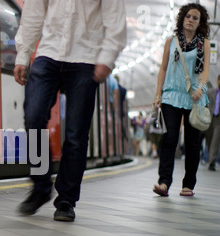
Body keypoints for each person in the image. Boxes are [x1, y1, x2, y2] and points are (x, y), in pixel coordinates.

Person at [14, 0, 126, 222]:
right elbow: (34, 13)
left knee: (76, 133)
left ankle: (66, 199)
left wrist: (106, 58)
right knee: (34, 117)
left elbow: (115, 20)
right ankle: (41, 186)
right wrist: (23, 55)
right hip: (48, 53)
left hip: (85, 58)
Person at [152, 3, 211, 197]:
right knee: (169, 138)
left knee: (193, 143)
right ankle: (164, 182)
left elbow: (205, 72)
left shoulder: (204, 43)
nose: (190, 20)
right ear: (182, 18)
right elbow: (163, 68)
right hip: (171, 95)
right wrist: (158, 94)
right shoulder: (171, 40)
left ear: (200, 22)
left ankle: (188, 184)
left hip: (194, 98)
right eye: (188, 16)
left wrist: (201, 90)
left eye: (195, 17)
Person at [206, 75, 220, 171]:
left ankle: (212, 161)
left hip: (218, 120)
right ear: (217, 80)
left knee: (215, 141)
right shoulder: (211, 92)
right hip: (209, 119)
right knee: (209, 140)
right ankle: (211, 157)